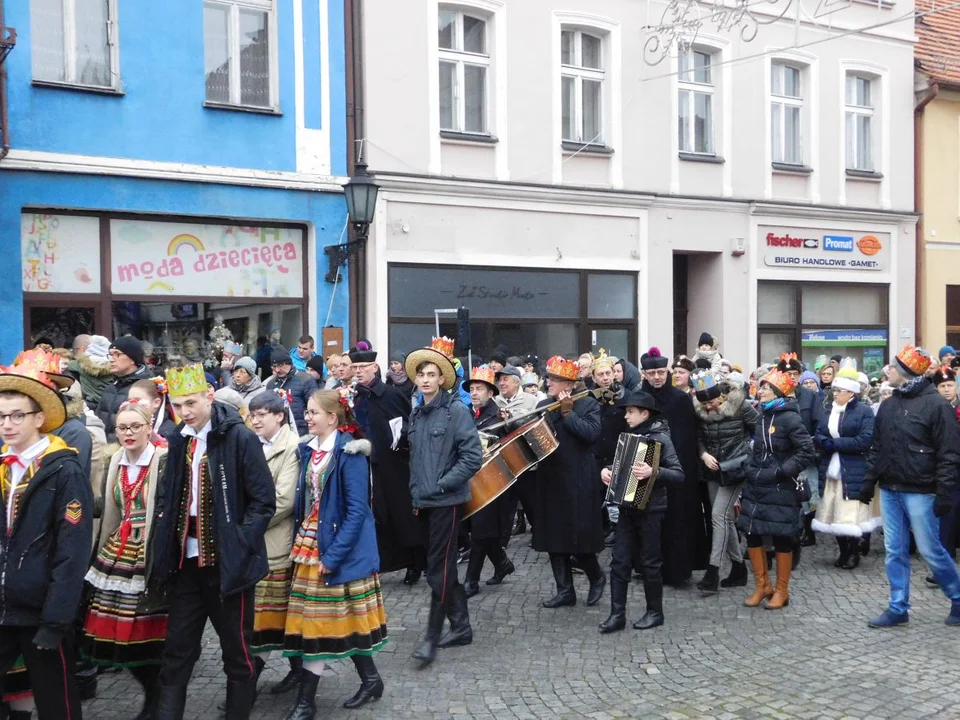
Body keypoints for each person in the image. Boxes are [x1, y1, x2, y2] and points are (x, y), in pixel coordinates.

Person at [146, 363, 276, 719]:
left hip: (227, 568)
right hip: (186, 565)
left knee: (236, 653)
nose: (184, 412)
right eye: (177, 405)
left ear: (208, 396)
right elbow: (169, 495)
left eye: (190, 403)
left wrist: (238, 540)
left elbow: (264, 501)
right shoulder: (178, 439)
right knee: (177, 652)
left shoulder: (239, 437)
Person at [279, 390, 386, 718]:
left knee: (319, 624)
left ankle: (306, 702)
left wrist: (333, 556)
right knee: (334, 622)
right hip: (311, 541)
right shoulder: (308, 451)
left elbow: (357, 511)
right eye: (307, 412)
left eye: (313, 412)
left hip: (335, 547)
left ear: (332, 418)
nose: (307, 417)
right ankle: (371, 679)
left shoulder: (349, 453)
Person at [0, 350, 93, 720]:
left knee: (58, 703)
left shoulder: (63, 471)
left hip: (41, 611)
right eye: (2, 416)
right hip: (4, 605)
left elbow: (72, 551)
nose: (7, 424)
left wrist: (56, 620)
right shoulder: (4, 468)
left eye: (17, 415)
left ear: (39, 418)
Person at [859, 346, 960, 628]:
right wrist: (869, 481)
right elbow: (877, 447)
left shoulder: (936, 405)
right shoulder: (889, 405)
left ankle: (958, 597)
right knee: (894, 550)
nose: (888, 370)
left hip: (921, 490)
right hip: (890, 489)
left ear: (906, 372)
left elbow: (949, 453)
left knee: (930, 550)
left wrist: (944, 492)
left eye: (893, 366)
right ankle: (898, 606)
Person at [81, 401, 168, 719]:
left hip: (149, 552)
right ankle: (150, 692)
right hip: (118, 551)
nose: (128, 433)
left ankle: (158, 697)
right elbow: (111, 506)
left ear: (149, 428)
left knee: (149, 633)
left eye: (135, 426)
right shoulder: (116, 458)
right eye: (122, 427)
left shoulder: (163, 459)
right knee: (119, 634)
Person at [404, 342, 482, 667]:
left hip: (447, 502)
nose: (425, 379)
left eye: (431, 374)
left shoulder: (456, 412)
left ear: (441, 379)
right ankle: (461, 626)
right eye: (421, 374)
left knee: (439, 569)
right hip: (424, 502)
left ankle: (431, 638)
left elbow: (472, 457)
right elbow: (416, 459)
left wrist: (442, 483)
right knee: (442, 567)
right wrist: (417, 491)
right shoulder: (417, 412)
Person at [599, 389, 684, 632]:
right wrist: (606, 471)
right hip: (627, 507)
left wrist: (653, 472)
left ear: (644, 413)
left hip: (652, 508)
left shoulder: (660, 438)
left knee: (650, 562)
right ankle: (617, 615)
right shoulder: (628, 435)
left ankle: (655, 612)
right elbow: (618, 464)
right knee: (619, 561)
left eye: (630, 412)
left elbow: (679, 474)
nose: (626, 416)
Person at [737, 370, 815, 610]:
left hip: (780, 487)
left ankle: (782, 590)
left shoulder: (790, 418)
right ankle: (762, 586)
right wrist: (750, 467)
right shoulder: (762, 416)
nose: (759, 391)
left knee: (782, 536)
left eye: (765, 388)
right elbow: (757, 449)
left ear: (778, 392)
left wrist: (783, 471)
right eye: (759, 387)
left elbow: (806, 451)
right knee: (752, 533)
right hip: (757, 485)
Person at [532, 356, 605, 609]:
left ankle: (597, 577)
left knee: (580, 539)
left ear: (570, 385)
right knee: (554, 538)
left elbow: (592, 434)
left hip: (578, 480)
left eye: (554, 379)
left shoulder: (587, 404)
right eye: (549, 378)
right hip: (550, 479)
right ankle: (565, 591)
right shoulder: (542, 405)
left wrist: (568, 414)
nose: (548, 382)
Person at [349, 347, 425, 585]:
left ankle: (415, 562)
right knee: (376, 514)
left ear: (374, 367)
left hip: (393, 465)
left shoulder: (391, 395)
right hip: (364, 464)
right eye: (355, 368)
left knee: (401, 514)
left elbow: (406, 424)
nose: (358, 372)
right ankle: (380, 562)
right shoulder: (353, 396)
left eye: (362, 368)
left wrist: (399, 439)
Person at [245, 391, 302, 697]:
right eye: (252, 415)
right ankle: (299, 672)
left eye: (261, 415)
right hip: (254, 541)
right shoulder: (251, 443)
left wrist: (245, 525)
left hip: (274, 544)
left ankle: (248, 686)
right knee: (274, 617)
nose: (255, 420)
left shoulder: (291, 447)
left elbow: (283, 501)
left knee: (267, 617)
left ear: (279, 415)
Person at [640, 347, 706, 587]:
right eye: (651, 373)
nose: (657, 377)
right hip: (644, 468)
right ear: (644, 374)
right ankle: (647, 567)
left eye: (660, 372)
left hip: (677, 470)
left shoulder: (680, 400)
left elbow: (689, 437)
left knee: (677, 520)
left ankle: (678, 569)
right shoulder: (639, 397)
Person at [693, 373, 759, 594]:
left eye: (711, 402)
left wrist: (746, 457)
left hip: (736, 470)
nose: (708, 407)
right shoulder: (701, 410)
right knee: (726, 518)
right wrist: (703, 455)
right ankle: (739, 568)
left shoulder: (741, 406)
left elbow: (759, 435)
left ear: (720, 396)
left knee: (718, 517)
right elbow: (699, 438)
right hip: (712, 470)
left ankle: (713, 571)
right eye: (704, 404)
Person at [811, 362, 879, 570]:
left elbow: (865, 440)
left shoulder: (864, 411)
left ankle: (853, 552)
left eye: (839, 390)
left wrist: (835, 444)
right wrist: (824, 442)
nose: (835, 393)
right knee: (832, 513)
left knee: (849, 514)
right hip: (830, 469)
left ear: (851, 392)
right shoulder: (829, 410)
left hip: (853, 469)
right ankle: (843, 551)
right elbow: (819, 433)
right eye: (835, 390)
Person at [462, 367, 514, 598]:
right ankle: (502, 563)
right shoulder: (465, 412)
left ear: (490, 392)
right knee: (479, 529)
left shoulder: (499, 415)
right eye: (471, 389)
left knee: (481, 530)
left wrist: (508, 424)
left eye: (479, 389)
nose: (474, 393)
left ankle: (471, 581)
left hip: (492, 481)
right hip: (468, 479)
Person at [777, 353, 824, 558]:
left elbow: (819, 423)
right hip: (784, 454)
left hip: (806, 453)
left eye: (795, 373)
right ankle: (791, 531)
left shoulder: (809, 396)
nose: (792, 377)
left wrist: (813, 448)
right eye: (788, 373)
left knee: (808, 494)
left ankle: (809, 529)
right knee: (788, 494)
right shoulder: (776, 395)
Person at [96, 336, 155, 441]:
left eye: (117, 354)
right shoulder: (111, 387)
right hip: (107, 451)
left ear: (132, 359)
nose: (111, 359)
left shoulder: (146, 386)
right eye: (110, 354)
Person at [266, 348, 317, 437]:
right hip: (278, 433)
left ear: (289, 363)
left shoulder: (305, 380)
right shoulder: (271, 384)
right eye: (274, 366)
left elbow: (315, 407)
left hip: (302, 432)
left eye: (281, 365)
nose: (277, 370)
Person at [67, 334, 113, 407]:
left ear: (83, 349)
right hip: (111, 407)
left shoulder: (75, 366)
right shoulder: (115, 366)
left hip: (90, 406)